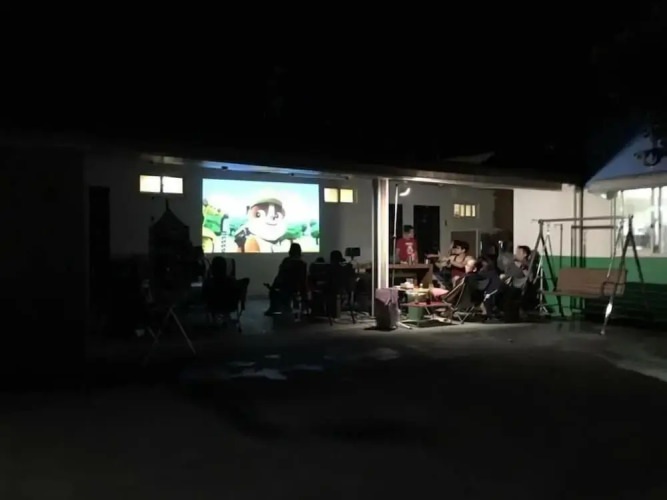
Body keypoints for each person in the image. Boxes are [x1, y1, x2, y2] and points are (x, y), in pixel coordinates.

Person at [265, 243, 308, 315]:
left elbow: (281, 274)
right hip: (297, 287)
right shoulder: (302, 263)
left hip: (285, 286)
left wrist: (274, 286)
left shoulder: (286, 261)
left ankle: (274, 308)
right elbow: (303, 279)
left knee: (273, 291)